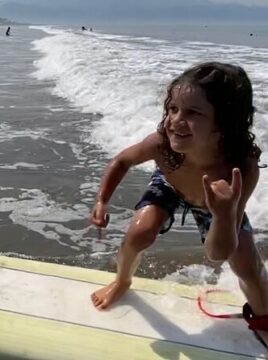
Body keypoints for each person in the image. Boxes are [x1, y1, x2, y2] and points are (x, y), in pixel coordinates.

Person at [89, 62, 268, 347]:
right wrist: (102, 200)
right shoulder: (162, 145)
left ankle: (263, 319)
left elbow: (217, 253)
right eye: (173, 109)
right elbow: (122, 160)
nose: (175, 120)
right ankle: (122, 280)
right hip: (171, 182)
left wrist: (223, 214)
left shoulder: (240, 169)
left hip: (219, 203)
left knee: (246, 265)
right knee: (138, 233)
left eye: (193, 112)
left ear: (224, 122)